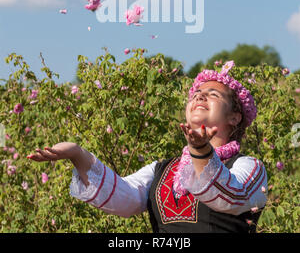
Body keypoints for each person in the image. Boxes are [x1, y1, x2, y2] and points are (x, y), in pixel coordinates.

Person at [27, 60, 268, 233]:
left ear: (235, 117)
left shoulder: (249, 167)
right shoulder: (161, 169)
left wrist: (202, 152)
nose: (199, 96)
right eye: (196, 93)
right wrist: (77, 154)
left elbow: (233, 197)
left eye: (213, 94)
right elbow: (123, 198)